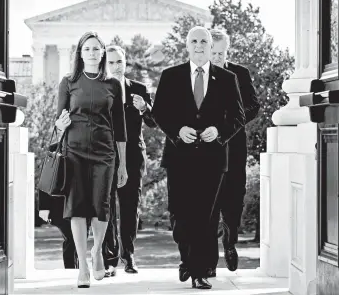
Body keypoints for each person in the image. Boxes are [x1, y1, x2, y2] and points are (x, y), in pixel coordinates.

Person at [152, 26, 246, 290]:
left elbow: (238, 117)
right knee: (180, 215)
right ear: (187, 45)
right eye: (194, 41)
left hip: (213, 159)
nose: (199, 45)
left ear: (210, 45)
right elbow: (159, 112)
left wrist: (220, 132)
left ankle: (198, 271)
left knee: (205, 216)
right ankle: (187, 259)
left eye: (203, 41)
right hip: (179, 157)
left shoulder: (227, 79)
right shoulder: (170, 76)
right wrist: (177, 130)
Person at [55, 31, 128, 288]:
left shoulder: (113, 85)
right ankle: (82, 267)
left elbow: (120, 128)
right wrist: (59, 124)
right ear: (80, 53)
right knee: (76, 208)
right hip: (74, 152)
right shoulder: (68, 82)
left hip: (105, 153)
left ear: (103, 52)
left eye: (96, 49)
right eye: (87, 49)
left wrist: (124, 165)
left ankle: (97, 250)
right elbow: (58, 121)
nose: (92, 53)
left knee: (101, 205)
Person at [102, 45, 157, 277]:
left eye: (119, 61)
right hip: (105, 155)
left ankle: (129, 255)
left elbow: (154, 121)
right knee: (105, 207)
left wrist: (144, 107)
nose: (116, 66)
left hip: (134, 156)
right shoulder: (100, 88)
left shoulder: (139, 89)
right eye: (111, 62)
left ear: (126, 63)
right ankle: (109, 258)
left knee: (130, 207)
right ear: (106, 64)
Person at [208, 28, 260, 273]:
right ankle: (206, 261)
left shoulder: (240, 73)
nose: (217, 57)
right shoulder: (199, 75)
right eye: (213, 52)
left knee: (234, 201)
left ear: (228, 50)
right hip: (206, 149)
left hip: (235, 147)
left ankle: (229, 242)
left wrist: (230, 123)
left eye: (221, 53)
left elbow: (253, 106)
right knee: (208, 201)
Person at [38, 192, 79, 269]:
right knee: (72, 237)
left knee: (78, 238)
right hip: (60, 205)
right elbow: (46, 180)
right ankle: (72, 271)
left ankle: (76, 270)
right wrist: (43, 205)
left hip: (81, 202)